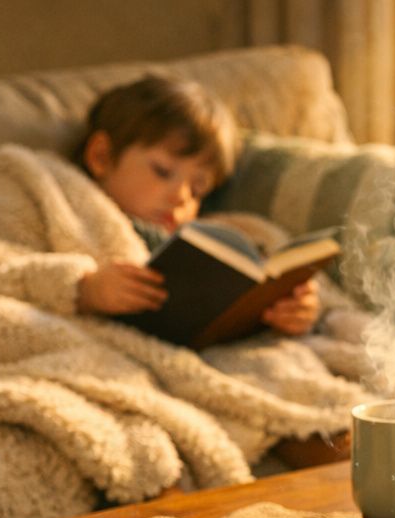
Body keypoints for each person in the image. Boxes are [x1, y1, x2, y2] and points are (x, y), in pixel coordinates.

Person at [74, 75, 320, 336]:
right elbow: (28, 273)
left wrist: (299, 311)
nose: (182, 197)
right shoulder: (65, 207)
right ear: (101, 156)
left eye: (197, 189)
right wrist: (85, 290)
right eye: (163, 171)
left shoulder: (216, 236)